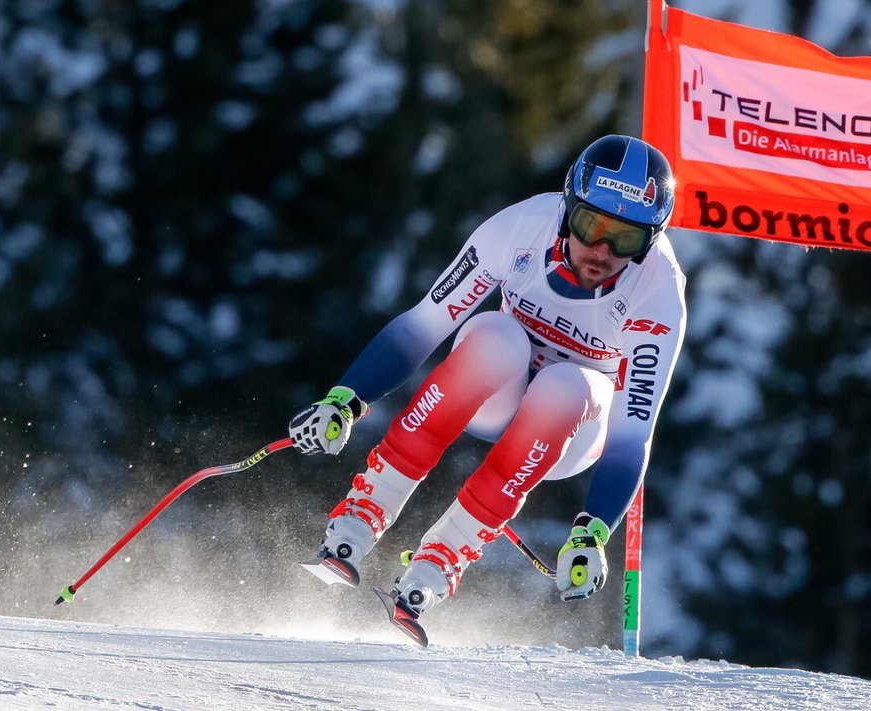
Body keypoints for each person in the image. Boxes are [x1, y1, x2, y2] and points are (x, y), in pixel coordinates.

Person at [288, 134, 686, 645]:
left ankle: (437, 565)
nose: (602, 252)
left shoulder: (658, 292)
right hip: (499, 393)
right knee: (492, 338)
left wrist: (594, 529)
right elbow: (423, 324)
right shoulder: (522, 227)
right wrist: (346, 397)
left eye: (626, 239)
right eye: (591, 226)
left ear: (650, 240)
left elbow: (633, 434)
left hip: (576, 426)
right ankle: (359, 520)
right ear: (567, 210)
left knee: (563, 387)